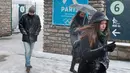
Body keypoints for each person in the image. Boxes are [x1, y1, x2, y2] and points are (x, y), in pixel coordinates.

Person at [19, 6, 41, 70]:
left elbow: (39, 26)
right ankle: (28, 64)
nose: (31, 13)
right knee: (27, 51)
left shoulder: (37, 17)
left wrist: (37, 33)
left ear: (34, 12)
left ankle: (27, 62)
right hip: (26, 37)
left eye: (32, 12)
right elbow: (20, 25)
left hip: (33, 37)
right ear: (28, 11)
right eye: (30, 12)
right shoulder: (24, 16)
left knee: (30, 51)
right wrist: (24, 32)